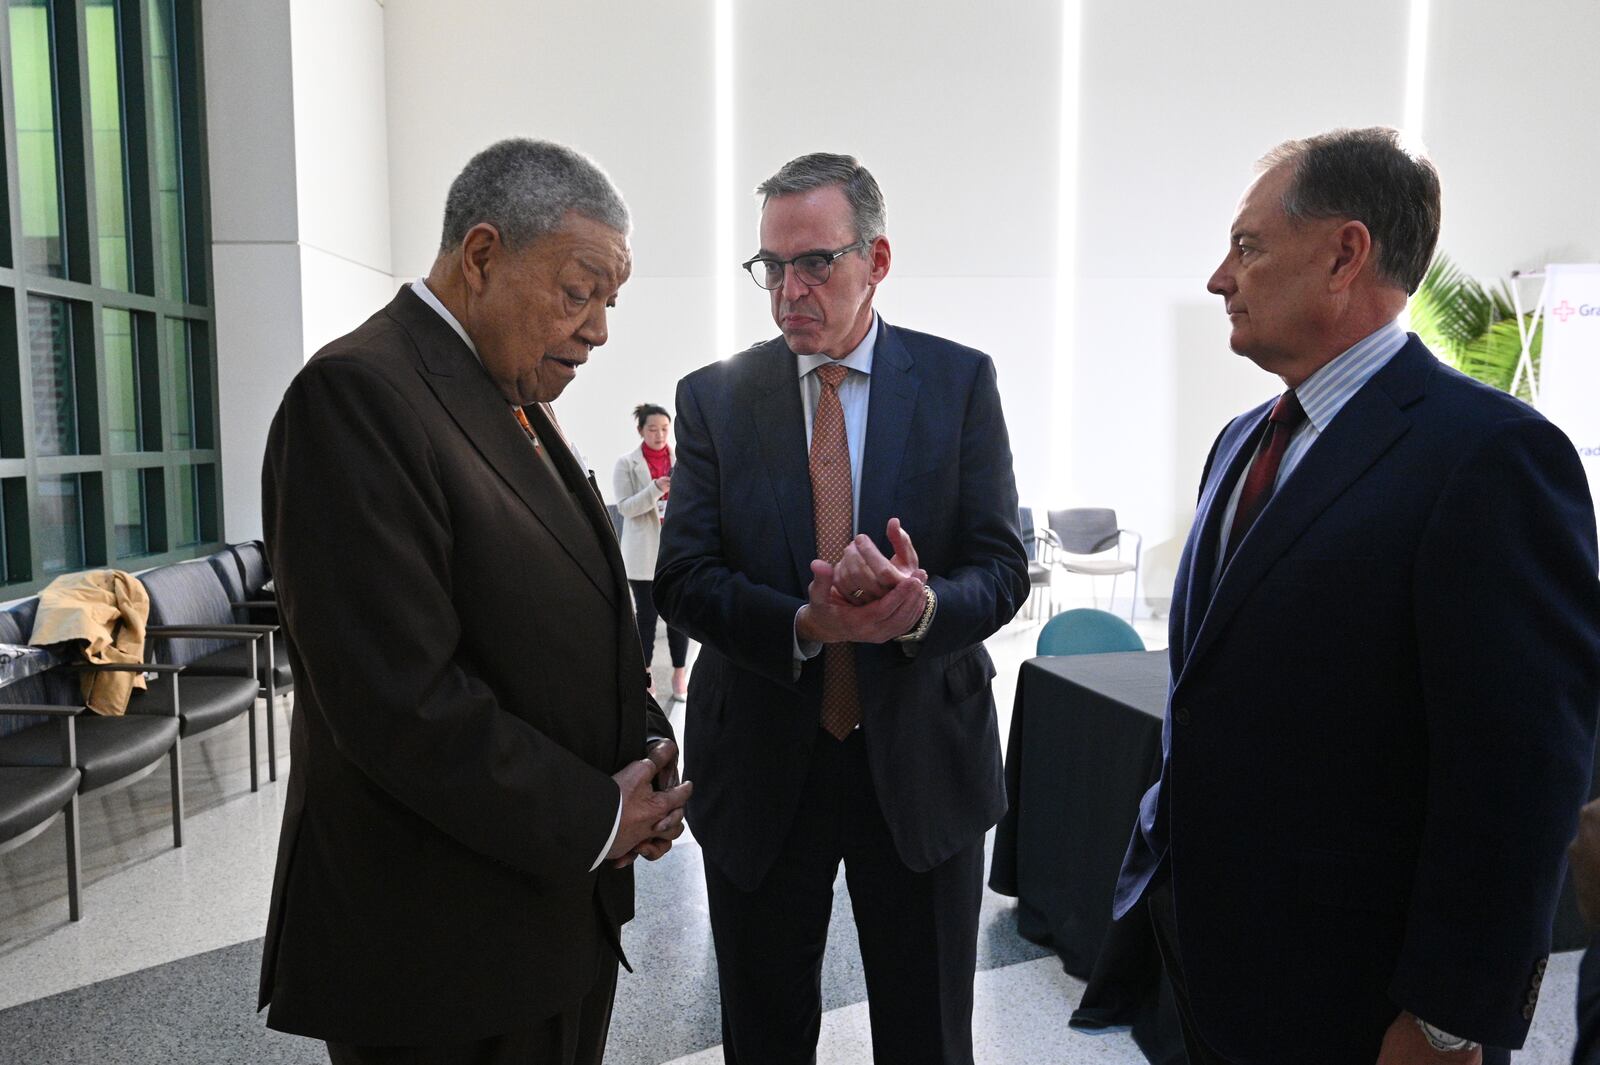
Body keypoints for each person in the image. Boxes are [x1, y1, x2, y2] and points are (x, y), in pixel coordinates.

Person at [1112, 126, 1600, 1065]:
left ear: (1345, 253)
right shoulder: (1240, 439)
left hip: (1360, 999)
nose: (1221, 276)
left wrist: (1450, 1016)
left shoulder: (1491, 457)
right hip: (1209, 967)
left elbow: (1520, 776)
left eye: (1247, 246)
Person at [257, 138, 692, 1065]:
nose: (599, 329)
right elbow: (397, 699)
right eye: (580, 292)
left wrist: (640, 741)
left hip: (546, 916)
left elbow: (569, 613)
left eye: (610, 301)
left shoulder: (506, 390)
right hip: (442, 947)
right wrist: (595, 815)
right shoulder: (358, 395)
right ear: (483, 255)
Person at [654, 152, 1029, 1065]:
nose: (790, 291)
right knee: (765, 1029)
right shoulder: (714, 399)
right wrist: (802, 623)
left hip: (920, 759)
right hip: (763, 762)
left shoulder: (958, 383)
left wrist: (920, 606)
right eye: (771, 267)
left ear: (878, 259)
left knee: (928, 1035)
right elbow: (684, 575)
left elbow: (1002, 567)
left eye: (815, 262)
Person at [613, 403, 689, 700]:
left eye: (665, 429)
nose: (660, 435)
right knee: (646, 616)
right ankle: (645, 675)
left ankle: (680, 675)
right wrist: (656, 488)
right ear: (640, 431)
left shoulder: (682, 458)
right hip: (643, 554)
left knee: (679, 616)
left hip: (676, 550)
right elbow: (626, 508)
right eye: (653, 429)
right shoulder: (626, 463)